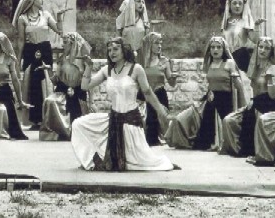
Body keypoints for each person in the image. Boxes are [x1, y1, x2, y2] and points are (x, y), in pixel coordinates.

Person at [71, 37, 175, 171]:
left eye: (115, 49)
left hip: (131, 122)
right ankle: (93, 158)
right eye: (109, 50)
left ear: (124, 50)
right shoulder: (106, 70)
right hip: (113, 120)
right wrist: (88, 68)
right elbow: (85, 86)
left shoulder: (136, 69)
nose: (112, 53)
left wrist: (160, 110)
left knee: (143, 163)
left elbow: (148, 93)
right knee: (78, 124)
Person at [164, 36, 244, 151]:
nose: (215, 50)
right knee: (180, 118)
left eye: (218, 47)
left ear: (223, 49)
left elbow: (238, 86)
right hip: (209, 100)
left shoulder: (229, 63)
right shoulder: (209, 64)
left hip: (224, 102)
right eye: (212, 47)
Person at [220, 36, 275, 157]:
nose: (263, 50)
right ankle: (237, 149)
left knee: (254, 119)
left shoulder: (273, 68)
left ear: (271, 51)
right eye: (261, 47)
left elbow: (274, 95)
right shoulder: (255, 67)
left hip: (268, 104)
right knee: (229, 120)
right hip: (256, 102)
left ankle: (254, 151)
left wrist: (269, 80)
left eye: (267, 48)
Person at [13, 0, 62, 131]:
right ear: (33, 0)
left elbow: (59, 30)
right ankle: (34, 120)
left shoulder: (46, 15)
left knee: (46, 82)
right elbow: (21, 41)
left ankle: (48, 118)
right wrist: (18, 60)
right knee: (32, 85)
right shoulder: (23, 19)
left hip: (45, 50)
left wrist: (59, 17)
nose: (42, 0)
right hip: (30, 51)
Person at [39, 32, 92, 141]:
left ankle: (70, 130)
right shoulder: (62, 59)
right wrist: (48, 70)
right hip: (62, 92)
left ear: (73, 43)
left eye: (65, 42)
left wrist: (90, 100)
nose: (63, 45)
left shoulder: (83, 60)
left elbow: (88, 82)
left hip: (77, 93)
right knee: (49, 101)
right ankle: (56, 131)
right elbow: (55, 81)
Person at [141, 32, 173, 146]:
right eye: (156, 43)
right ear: (149, 45)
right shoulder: (142, 63)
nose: (159, 46)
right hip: (147, 96)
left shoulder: (164, 61)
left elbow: (171, 83)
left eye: (161, 43)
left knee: (162, 123)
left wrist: (173, 78)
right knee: (149, 126)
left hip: (160, 95)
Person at [221, 0, 265, 71]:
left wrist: (257, 26)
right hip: (227, 56)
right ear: (230, 6)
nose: (237, 6)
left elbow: (255, 40)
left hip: (240, 56)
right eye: (234, 3)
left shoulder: (245, 21)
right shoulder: (226, 22)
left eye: (240, 4)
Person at [116, 0, 149, 66]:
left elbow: (147, 42)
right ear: (132, 4)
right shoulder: (122, 20)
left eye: (143, 2)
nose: (141, 4)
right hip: (126, 55)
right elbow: (118, 40)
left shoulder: (144, 21)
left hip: (140, 55)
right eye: (138, 1)